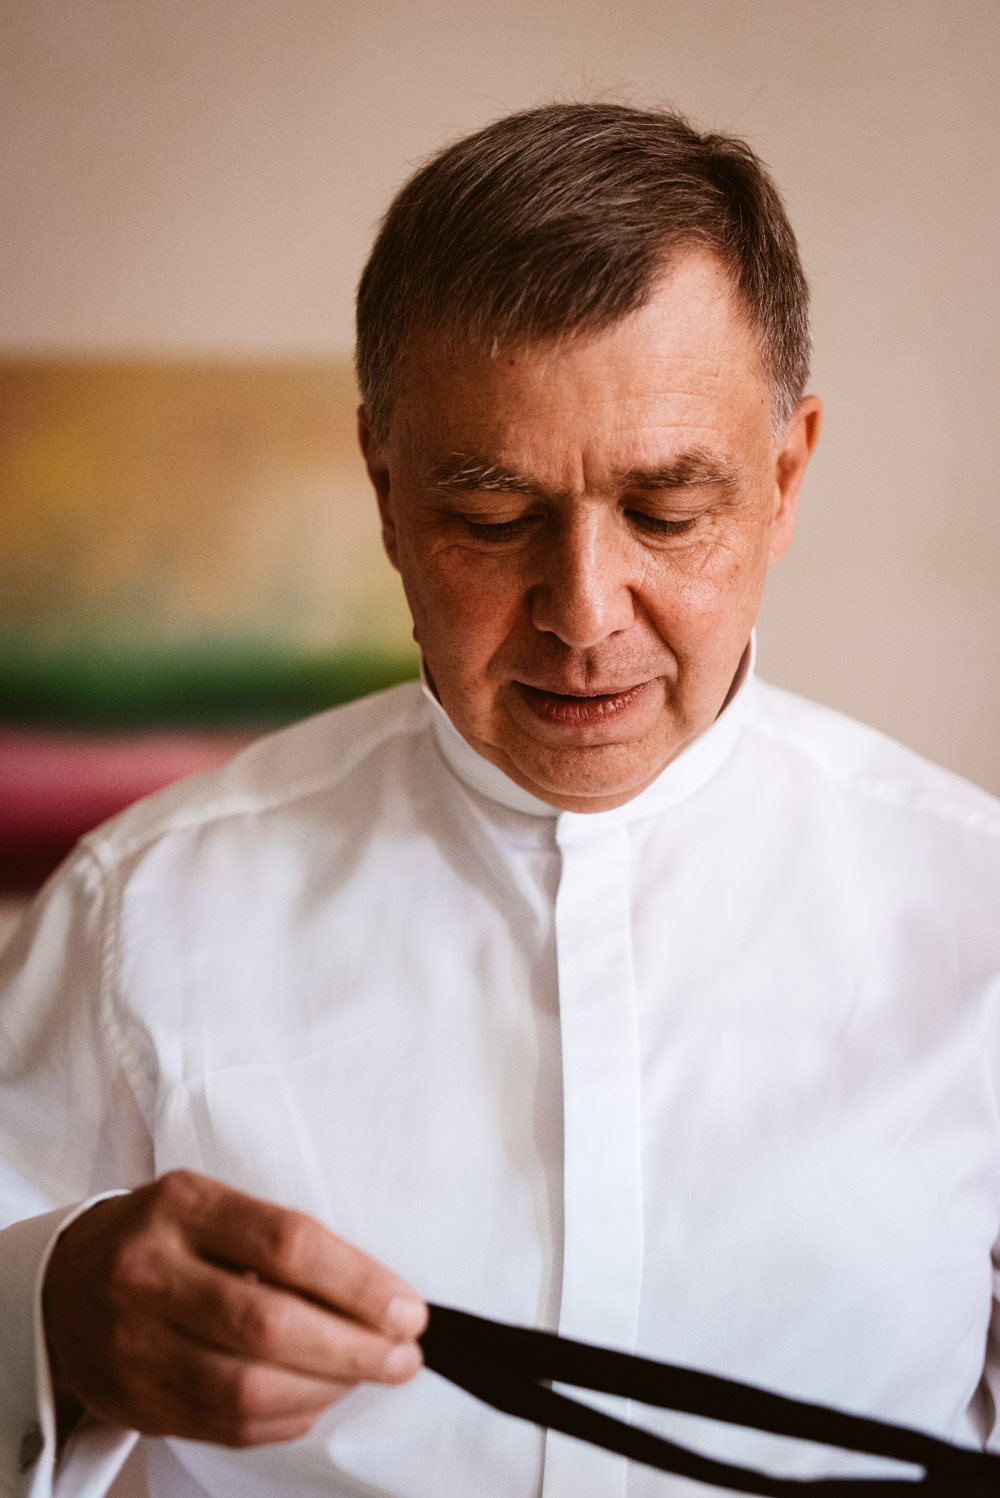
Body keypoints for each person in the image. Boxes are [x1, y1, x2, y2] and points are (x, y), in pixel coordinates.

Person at [1, 101, 999, 1498]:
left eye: (666, 509)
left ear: (785, 478)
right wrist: (43, 1326)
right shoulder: (133, 914)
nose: (584, 615)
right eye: (491, 514)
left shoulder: (979, 913)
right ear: (385, 487)